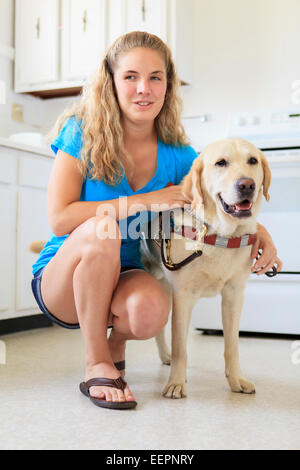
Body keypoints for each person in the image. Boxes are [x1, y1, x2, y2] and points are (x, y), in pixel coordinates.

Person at [31, 31, 282, 410]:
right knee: (104, 230)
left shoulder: (181, 155)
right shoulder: (81, 133)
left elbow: (218, 198)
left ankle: (115, 346)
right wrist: (142, 201)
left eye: (155, 77)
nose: (143, 88)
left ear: (168, 84)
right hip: (65, 281)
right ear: (111, 82)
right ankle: (95, 361)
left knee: (153, 309)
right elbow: (60, 218)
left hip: (126, 273)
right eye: (130, 76)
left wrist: (258, 231)